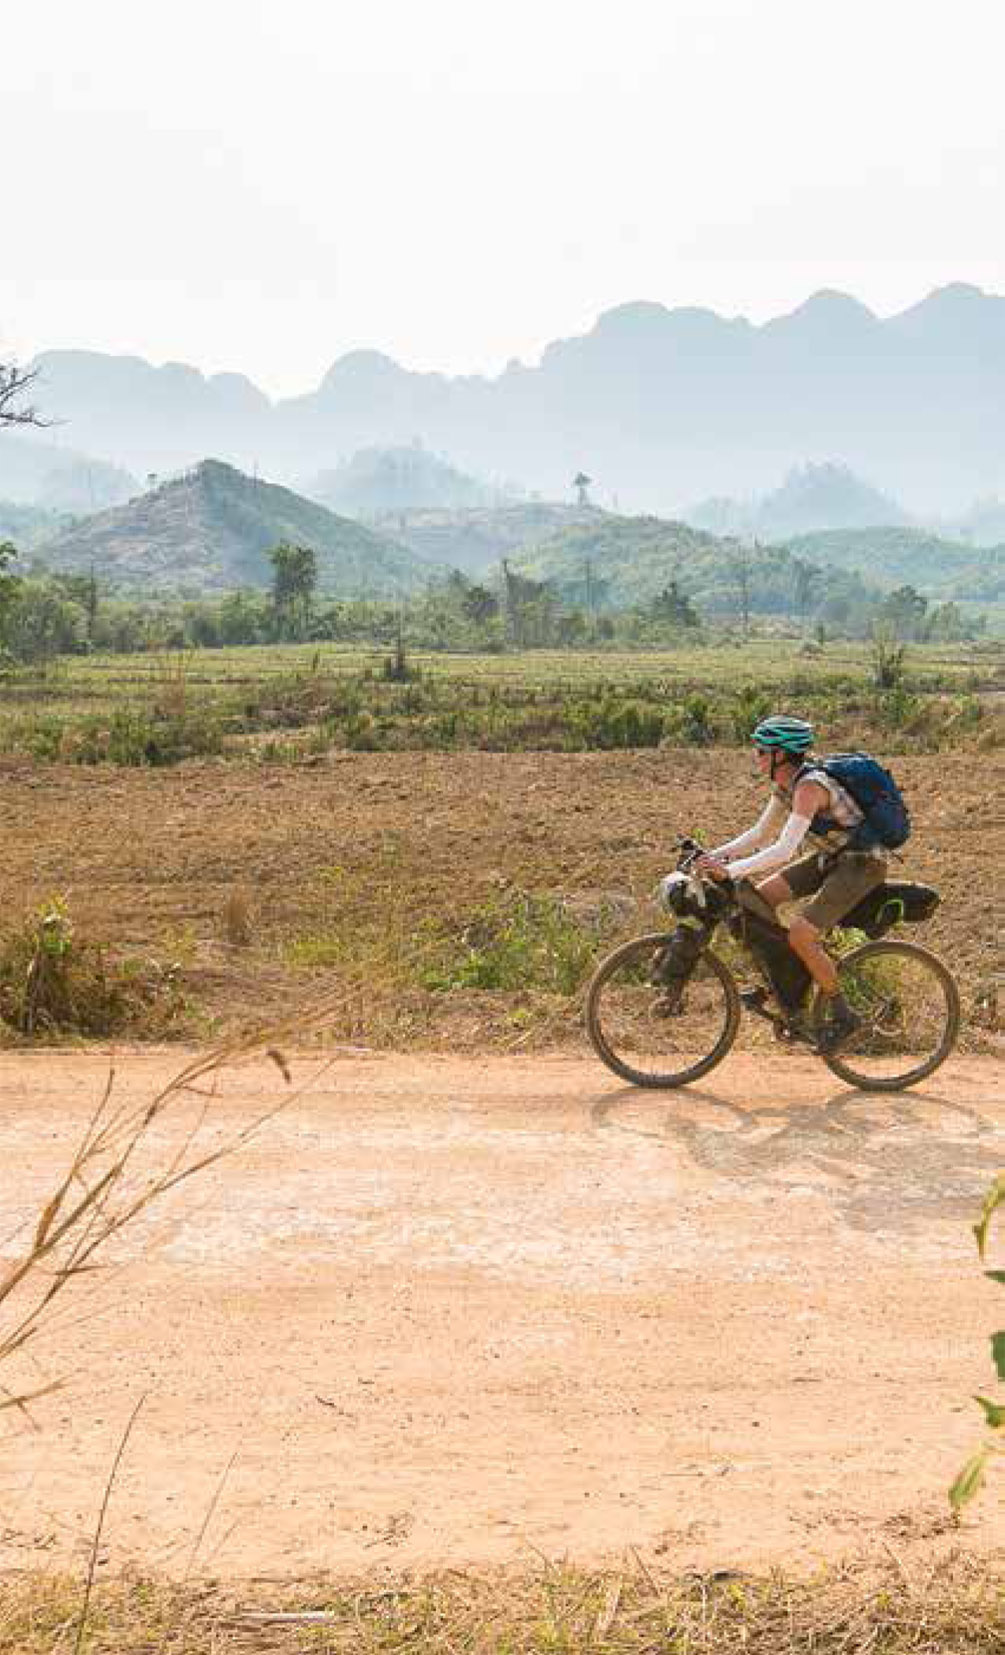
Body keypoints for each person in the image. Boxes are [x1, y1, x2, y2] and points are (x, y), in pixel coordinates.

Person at [696, 714, 888, 1047]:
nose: (755, 757)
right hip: (832, 857)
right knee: (756, 900)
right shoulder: (786, 785)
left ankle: (844, 1015)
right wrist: (713, 856)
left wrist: (730, 870)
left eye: (760, 751)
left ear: (780, 754)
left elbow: (784, 849)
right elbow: (759, 834)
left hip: (862, 864)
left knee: (801, 934)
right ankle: (781, 987)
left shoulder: (810, 787)